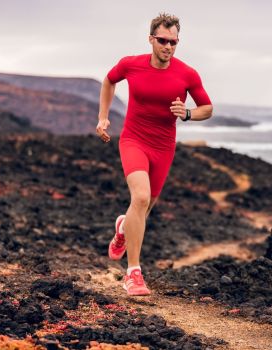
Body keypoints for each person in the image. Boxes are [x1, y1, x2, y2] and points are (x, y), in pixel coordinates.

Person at [96, 13, 213, 296]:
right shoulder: (131, 64)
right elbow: (109, 81)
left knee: (144, 209)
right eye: (162, 40)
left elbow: (207, 108)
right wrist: (103, 118)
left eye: (173, 42)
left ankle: (123, 226)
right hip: (134, 140)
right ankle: (133, 273)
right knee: (140, 197)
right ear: (151, 39)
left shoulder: (186, 74)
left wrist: (187, 113)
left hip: (163, 147)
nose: (168, 46)